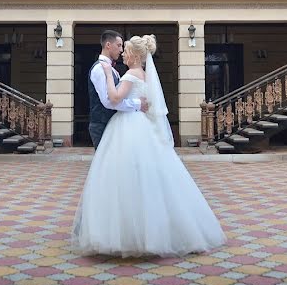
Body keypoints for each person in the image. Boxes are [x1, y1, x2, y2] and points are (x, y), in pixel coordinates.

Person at [71, 34, 226, 257]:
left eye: (125, 49)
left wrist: (108, 76)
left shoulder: (128, 74)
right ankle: (155, 230)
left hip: (126, 126)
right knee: (145, 176)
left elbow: (113, 99)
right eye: (119, 46)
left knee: (120, 177)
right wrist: (135, 102)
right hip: (140, 125)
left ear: (134, 55)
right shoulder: (143, 75)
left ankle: (125, 233)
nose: (122, 51)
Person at [87, 29, 149, 149]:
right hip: (102, 125)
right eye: (119, 45)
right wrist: (138, 104)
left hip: (114, 124)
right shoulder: (100, 68)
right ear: (108, 45)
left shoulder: (113, 70)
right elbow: (108, 102)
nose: (121, 50)